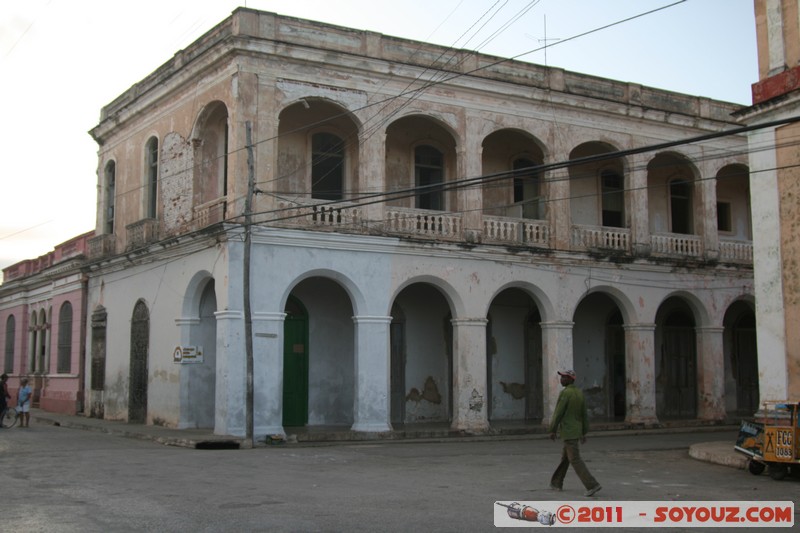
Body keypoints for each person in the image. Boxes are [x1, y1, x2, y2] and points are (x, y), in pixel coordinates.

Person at [548, 369, 602, 497]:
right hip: (576, 431)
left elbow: (558, 413)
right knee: (565, 458)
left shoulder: (565, 394)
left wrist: (552, 429)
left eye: (565, 378)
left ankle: (592, 484)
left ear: (571, 379)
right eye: (561, 377)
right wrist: (583, 432)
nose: (562, 379)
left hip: (568, 431)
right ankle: (556, 482)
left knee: (575, 459)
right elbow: (584, 415)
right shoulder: (579, 393)